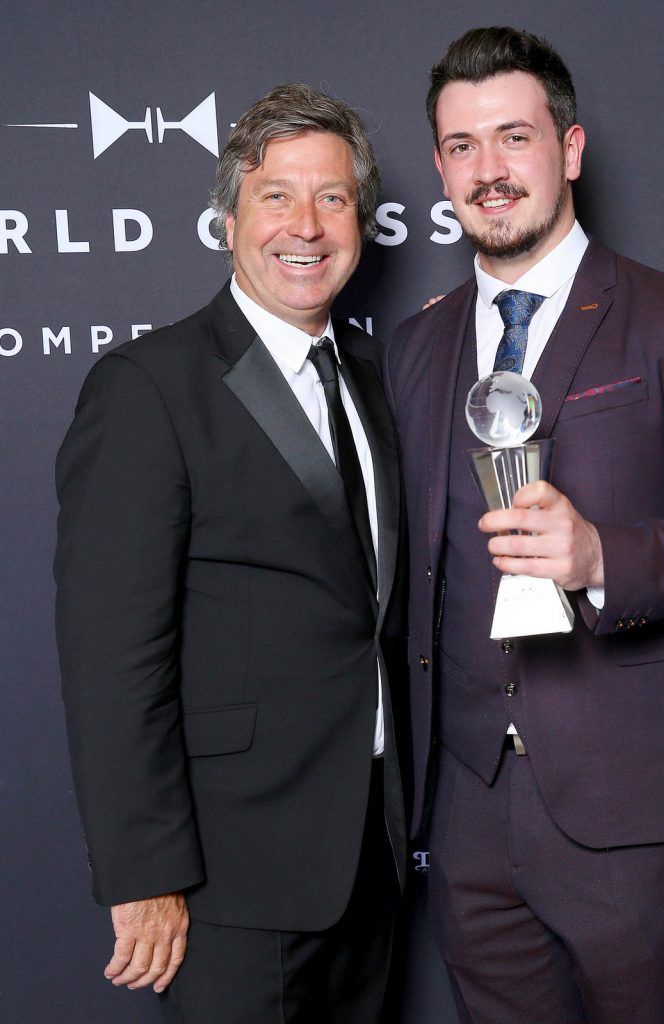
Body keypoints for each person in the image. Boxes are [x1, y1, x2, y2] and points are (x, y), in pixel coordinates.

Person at [384, 26, 664, 1024]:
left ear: (568, 149)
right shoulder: (416, 345)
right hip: (466, 807)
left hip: (633, 801)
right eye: (463, 146)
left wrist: (606, 554)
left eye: (513, 138)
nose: (489, 171)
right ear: (438, 167)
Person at [55, 83, 407, 1024]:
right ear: (229, 219)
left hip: (373, 856)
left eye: (333, 197)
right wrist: (145, 873)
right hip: (228, 880)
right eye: (277, 195)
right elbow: (111, 656)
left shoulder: (376, 376)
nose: (306, 223)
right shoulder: (149, 386)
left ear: (361, 220)